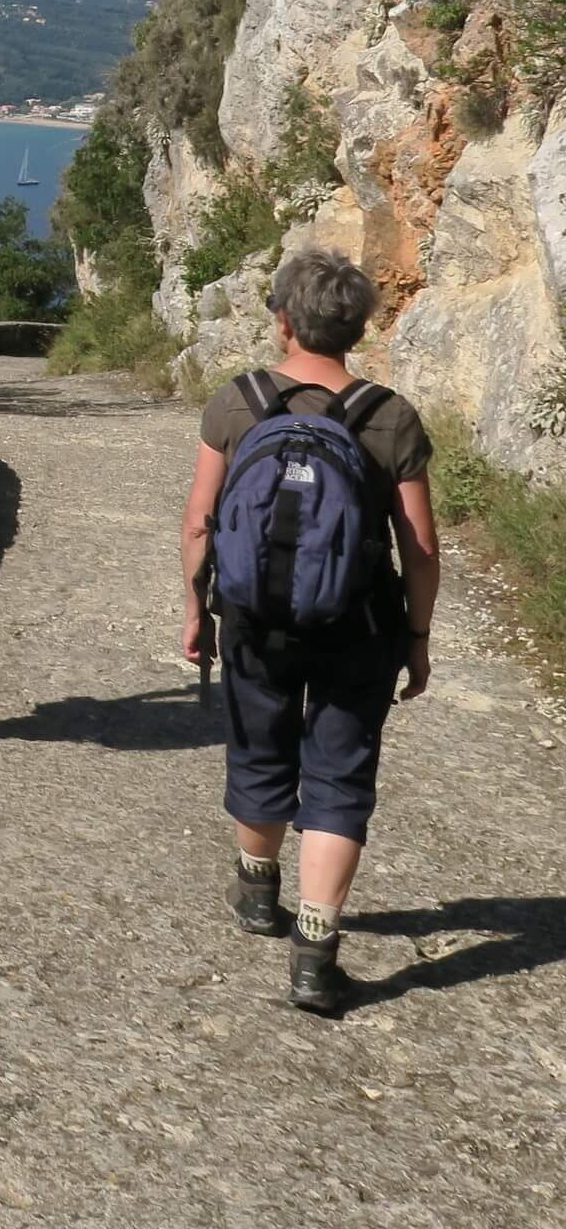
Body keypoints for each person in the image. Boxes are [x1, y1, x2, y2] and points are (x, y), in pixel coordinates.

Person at [179, 249, 438, 1015]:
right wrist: (417, 639)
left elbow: (199, 523)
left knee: (260, 748)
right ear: (355, 329)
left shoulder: (238, 403)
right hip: (359, 626)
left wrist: (197, 608)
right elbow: (420, 549)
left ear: (283, 321)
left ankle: (258, 898)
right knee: (338, 778)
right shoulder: (389, 417)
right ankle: (315, 960)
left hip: (256, 620)